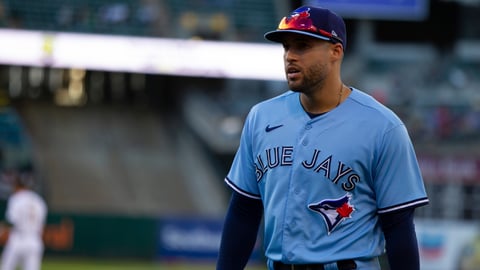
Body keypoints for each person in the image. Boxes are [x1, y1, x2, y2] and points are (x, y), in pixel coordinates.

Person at [216, 5, 429, 270]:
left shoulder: (383, 127)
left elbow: (398, 227)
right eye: (286, 47)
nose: (290, 57)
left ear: (335, 51)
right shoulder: (262, 117)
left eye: (302, 46)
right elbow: (244, 212)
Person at [1, 171, 48, 270]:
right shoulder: (39, 200)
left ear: (17, 185)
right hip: (35, 240)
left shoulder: (16, 198)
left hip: (18, 239)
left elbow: (11, 221)